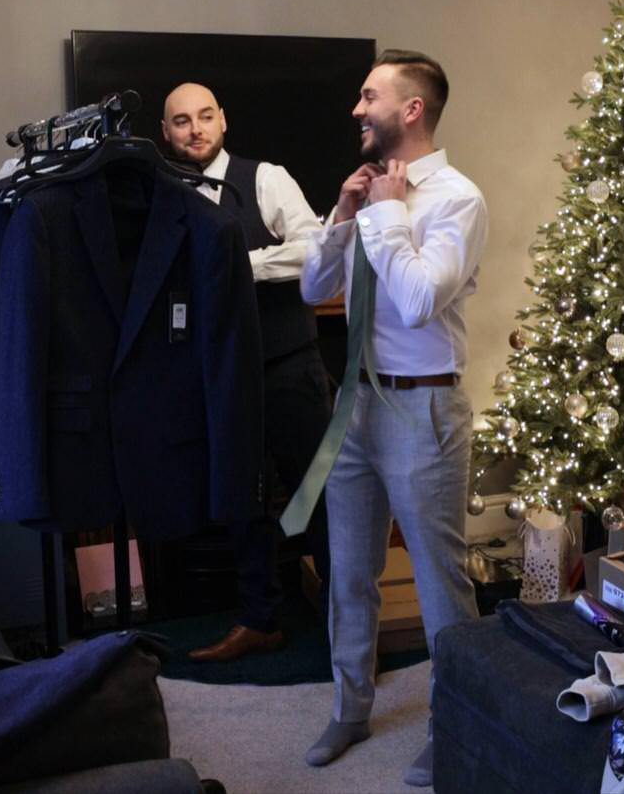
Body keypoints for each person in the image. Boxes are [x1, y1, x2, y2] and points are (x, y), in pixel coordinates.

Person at [297, 50, 486, 787]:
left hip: (424, 408)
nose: (356, 109)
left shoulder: (456, 200)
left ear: (411, 110)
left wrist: (387, 215)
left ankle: (457, 721)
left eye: (368, 96)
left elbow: (415, 301)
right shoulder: (365, 195)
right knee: (349, 572)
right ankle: (350, 707)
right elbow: (315, 287)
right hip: (357, 404)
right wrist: (346, 216)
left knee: (441, 583)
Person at [161, 82, 336, 662]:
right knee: (243, 500)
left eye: (205, 116)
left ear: (224, 120)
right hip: (220, 376)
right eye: (182, 121)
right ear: (167, 133)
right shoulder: (164, 197)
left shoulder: (266, 178)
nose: (195, 129)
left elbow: (314, 247)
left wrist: (240, 266)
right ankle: (260, 619)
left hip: (289, 367)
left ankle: (348, 623)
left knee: (318, 497)